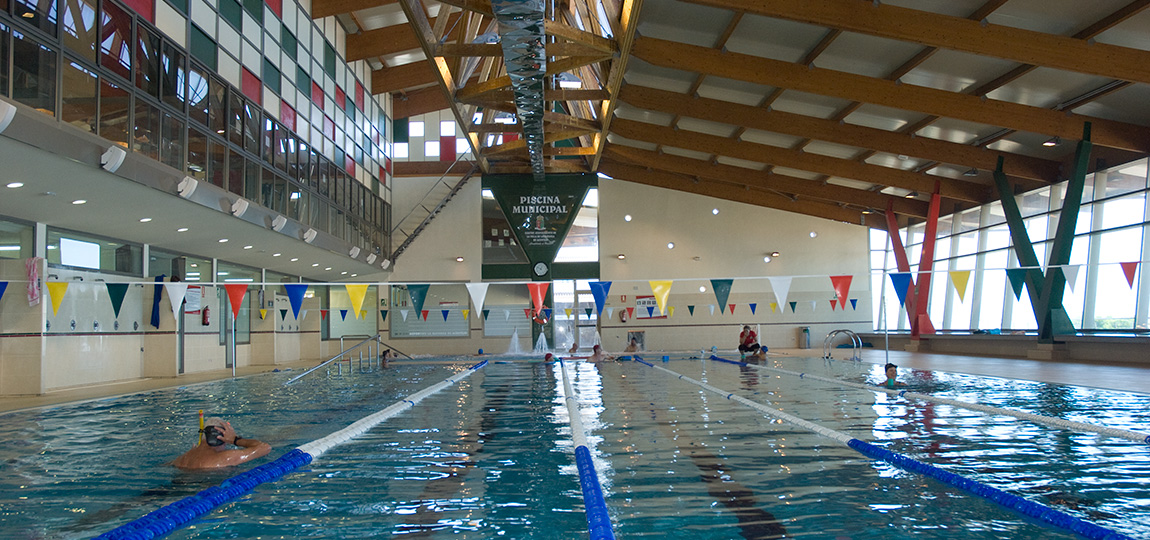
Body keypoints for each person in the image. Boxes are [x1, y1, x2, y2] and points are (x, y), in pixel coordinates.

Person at [170, 417, 271, 470]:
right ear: (222, 436)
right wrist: (235, 439)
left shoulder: (183, 458)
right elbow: (264, 448)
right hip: (202, 492)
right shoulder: (225, 457)